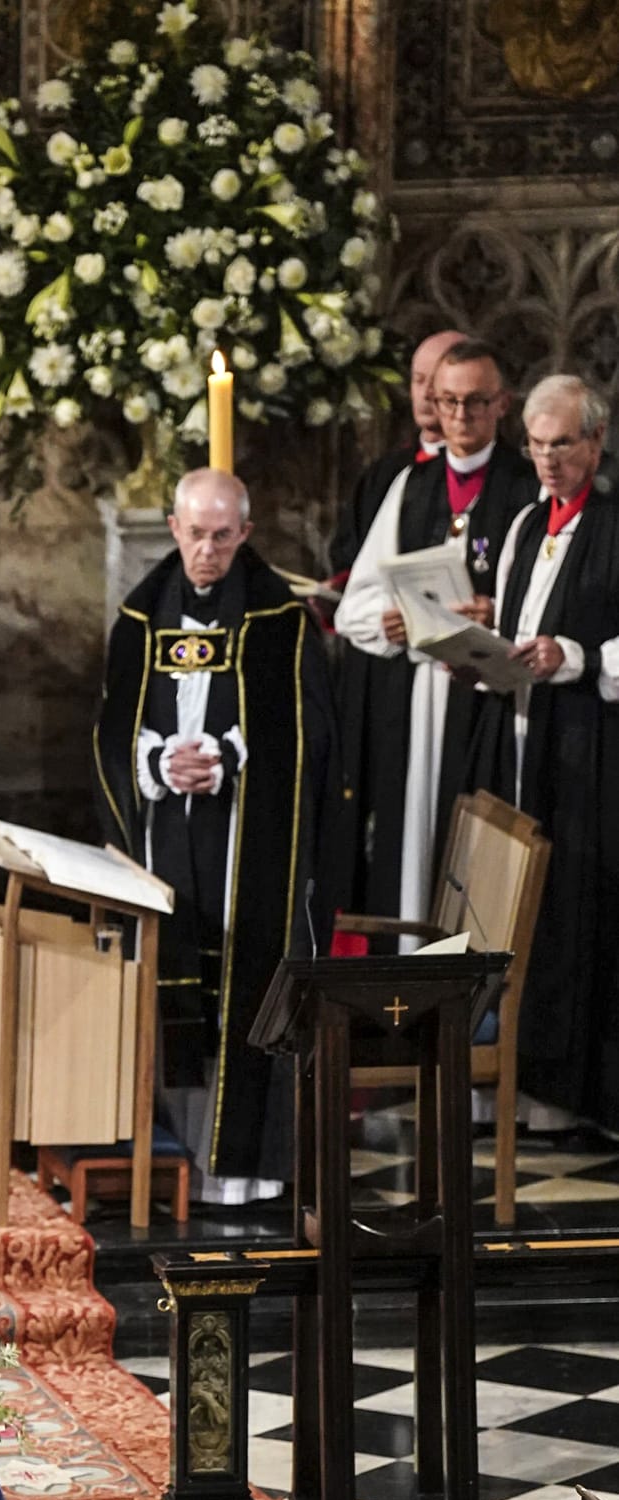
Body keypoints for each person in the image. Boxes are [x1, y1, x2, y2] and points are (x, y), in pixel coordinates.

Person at [92, 468, 337, 1201]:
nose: (207, 551)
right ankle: (174, 1162)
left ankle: (243, 1175)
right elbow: (112, 728)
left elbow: (310, 732)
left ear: (245, 535)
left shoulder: (278, 618)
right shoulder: (141, 616)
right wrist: (159, 760)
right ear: (173, 527)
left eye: (222, 536)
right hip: (168, 826)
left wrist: (231, 757)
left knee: (242, 981)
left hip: (244, 839)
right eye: (195, 534)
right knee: (177, 982)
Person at [334, 337, 536, 923]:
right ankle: (410, 978)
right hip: (415, 699)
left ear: (503, 404)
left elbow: (554, 607)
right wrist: (387, 623)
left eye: (475, 403)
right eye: (447, 402)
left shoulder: (525, 487)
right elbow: (356, 604)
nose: (459, 417)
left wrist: (498, 613)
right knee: (411, 844)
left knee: (479, 855)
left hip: (489, 698)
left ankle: (477, 990)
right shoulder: (410, 486)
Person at [466, 374, 619, 1130]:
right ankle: (518, 1085)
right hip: (521, 743)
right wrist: (482, 635)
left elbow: (579, 643)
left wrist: (581, 658)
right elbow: (524, 620)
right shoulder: (528, 523)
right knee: (521, 910)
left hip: (591, 756)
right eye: (538, 444)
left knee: (577, 913)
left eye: (564, 444)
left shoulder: (615, 524)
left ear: (595, 442)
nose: (549, 459)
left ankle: (575, 1097)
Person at [328, 328, 466, 584]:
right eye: (418, 380)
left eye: (435, 382)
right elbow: (348, 554)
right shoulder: (386, 472)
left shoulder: (489, 473)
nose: (425, 394)